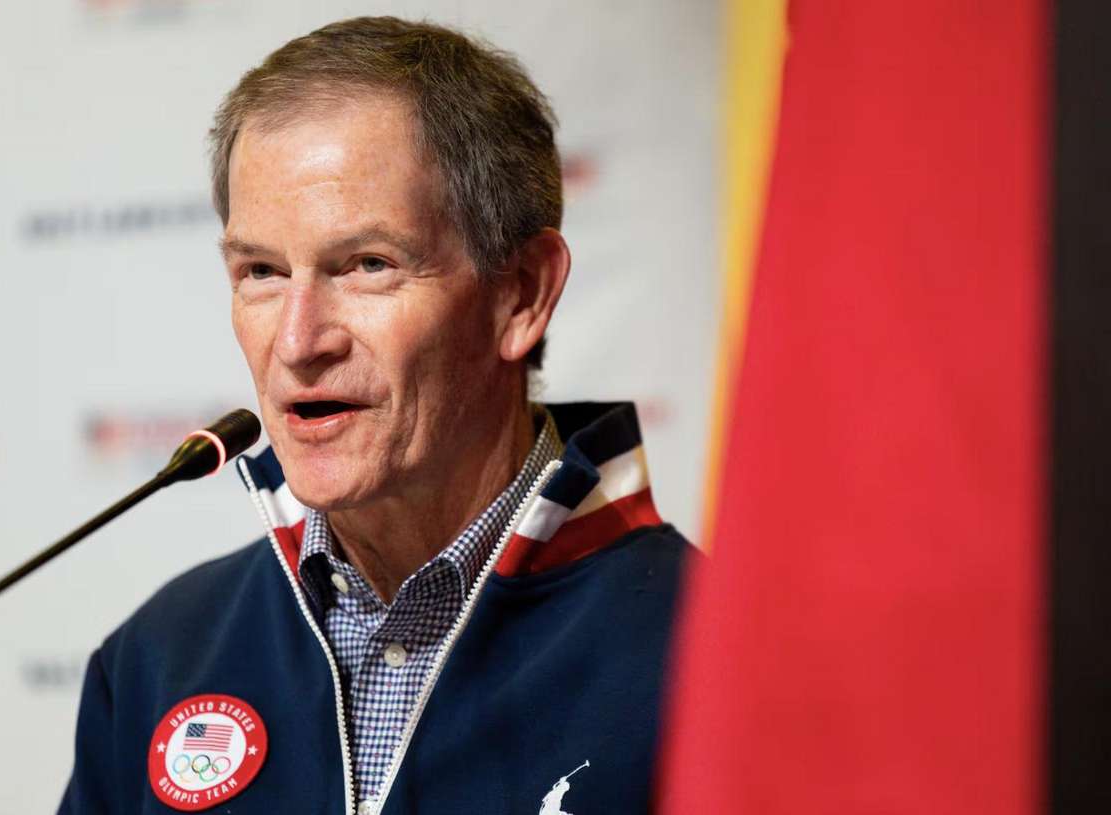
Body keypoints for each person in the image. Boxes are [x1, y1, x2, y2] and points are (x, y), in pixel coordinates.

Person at [59, 16, 688, 814]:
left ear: (521, 293)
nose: (296, 341)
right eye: (260, 271)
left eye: (366, 265)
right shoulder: (156, 658)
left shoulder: (713, 658)